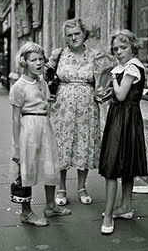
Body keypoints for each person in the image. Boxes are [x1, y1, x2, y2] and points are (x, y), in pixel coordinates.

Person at [47, 18, 115, 206]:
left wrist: (104, 92)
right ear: (65, 38)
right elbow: (46, 76)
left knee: (83, 146)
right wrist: (48, 94)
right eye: (69, 35)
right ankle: (61, 188)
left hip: (87, 108)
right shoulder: (58, 54)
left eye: (77, 33)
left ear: (84, 34)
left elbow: (104, 81)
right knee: (62, 146)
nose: (74, 37)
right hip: (62, 108)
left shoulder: (96, 56)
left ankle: (82, 187)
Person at [9, 42, 72, 227]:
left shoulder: (42, 82)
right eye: (33, 60)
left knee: (51, 165)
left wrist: (47, 100)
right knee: (26, 168)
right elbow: (15, 119)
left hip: (45, 126)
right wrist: (16, 147)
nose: (38, 63)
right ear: (24, 62)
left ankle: (51, 206)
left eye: (41, 59)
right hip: (28, 129)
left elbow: (43, 104)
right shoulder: (19, 86)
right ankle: (26, 212)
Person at [99, 29, 148, 235]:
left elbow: (120, 95)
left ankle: (109, 215)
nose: (119, 52)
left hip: (125, 120)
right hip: (123, 118)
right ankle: (126, 207)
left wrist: (113, 77)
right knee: (126, 164)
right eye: (116, 48)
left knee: (112, 167)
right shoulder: (124, 67)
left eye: (123, 47)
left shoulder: (133, 67)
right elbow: (116, 95)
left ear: (133, 47)